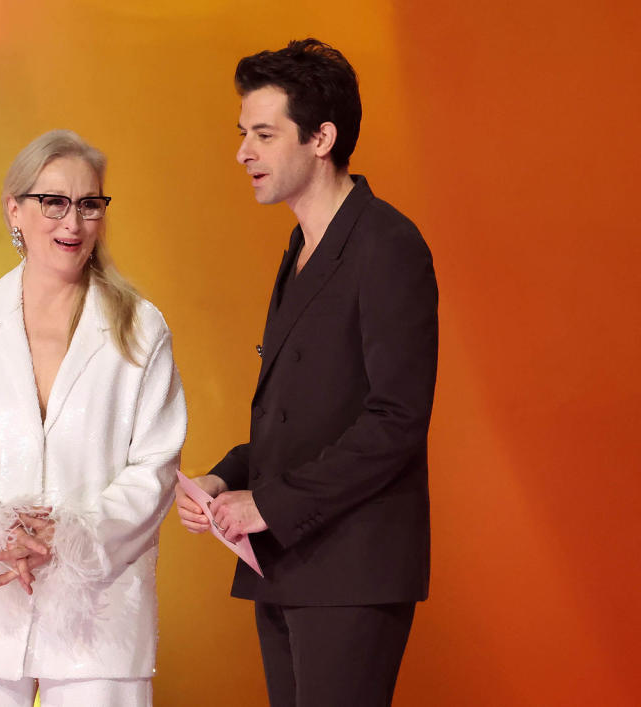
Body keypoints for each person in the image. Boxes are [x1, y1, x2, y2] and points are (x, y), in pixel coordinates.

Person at [175, 39, 438, 706]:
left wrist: (265, 502)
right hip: (286, 563)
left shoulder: (388, 244)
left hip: (351, 569)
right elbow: (307, 413)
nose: (243, 152)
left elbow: (396, 419)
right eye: (243, 134)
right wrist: (226, 476)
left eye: (264, 134)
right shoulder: (299, 248)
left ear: (322, 137)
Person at [0, 129, 186, 706]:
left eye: (89, 205)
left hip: (99, 613)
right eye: (53, 202)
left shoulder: (140, 327)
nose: (73, 223)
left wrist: (74, 537)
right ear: (15, 209)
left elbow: (155, 466)